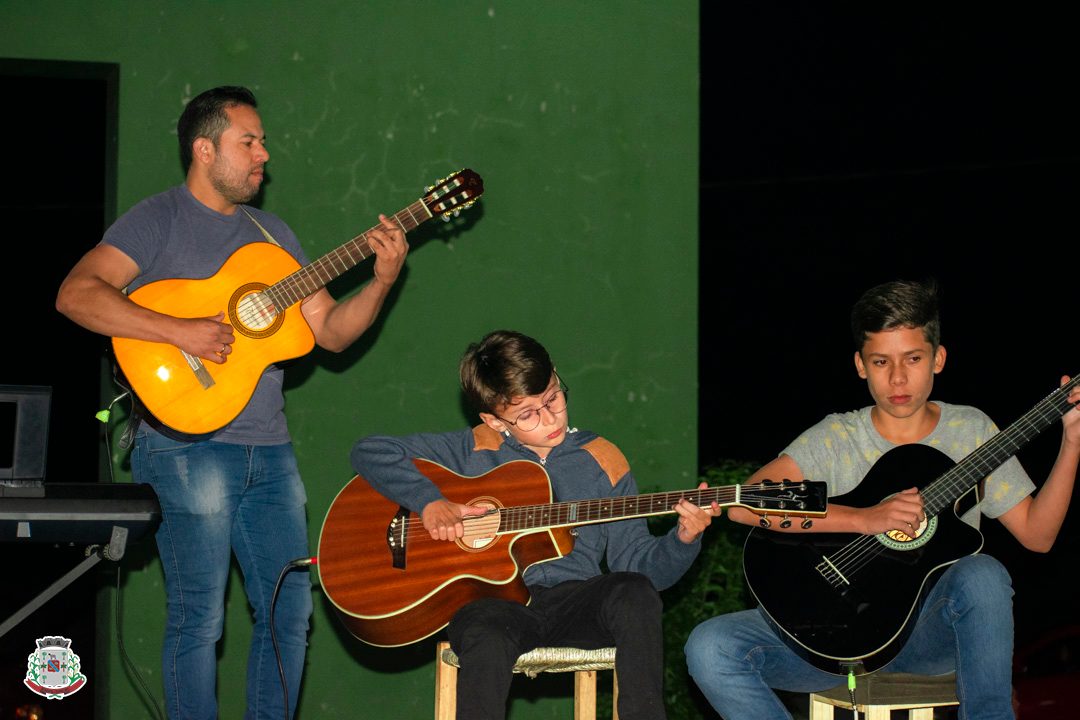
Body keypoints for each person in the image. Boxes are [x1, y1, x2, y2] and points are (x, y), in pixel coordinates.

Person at [55, 85, 409, 720]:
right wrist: (179, 331)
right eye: (249, 141)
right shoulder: (156, 219)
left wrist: (381, 281)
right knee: (201, 620)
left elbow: (329, 331)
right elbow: (76, 295)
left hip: (270, 451)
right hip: (185, 447)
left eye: (263, 142)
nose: (263, 155)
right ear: (204, 148)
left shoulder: (272, 237)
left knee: (291, 615)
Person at [684, 278, 1080, 720]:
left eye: (913, 359)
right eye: (880, 361)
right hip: (830, 640)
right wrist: (864, 518)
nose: (897, 378)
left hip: (926, 637)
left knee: (983, 572)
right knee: (710, 645)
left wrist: (1072, 443)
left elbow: (1038, 536)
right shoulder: (837, 437)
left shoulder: (970, 432)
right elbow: (746, 505)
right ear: (860, 365)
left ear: (938, 359)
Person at [350, 329, 717, 720]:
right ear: (494, 420)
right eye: (527, 414)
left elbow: (640, 565)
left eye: (553, 398)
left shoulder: (601, 459)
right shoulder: (472, 447)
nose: (549, 419)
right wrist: (429, 502)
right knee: (485, 630)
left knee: (634, 591)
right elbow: (371, 451)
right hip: (495, 605)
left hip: (576, 602)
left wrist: (682, 538)